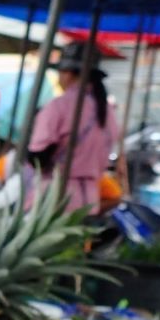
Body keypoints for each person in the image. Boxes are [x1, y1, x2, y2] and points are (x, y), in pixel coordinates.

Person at [29, 41, 120, 214]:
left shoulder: (59, 106)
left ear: (69, 74)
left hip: (55, 200)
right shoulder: (108, 111)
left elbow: (37, 157)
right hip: (90, 201)